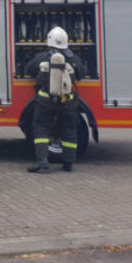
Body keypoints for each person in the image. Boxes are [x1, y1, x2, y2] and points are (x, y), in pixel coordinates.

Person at [26, 27, 88, 173]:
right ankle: (68, 163)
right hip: (68, 102)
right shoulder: (73, 59)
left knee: (41, 128)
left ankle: (42, 161)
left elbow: (29, 69)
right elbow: (82, 73)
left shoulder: (43, 57)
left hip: (46, 101)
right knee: (69, 130)